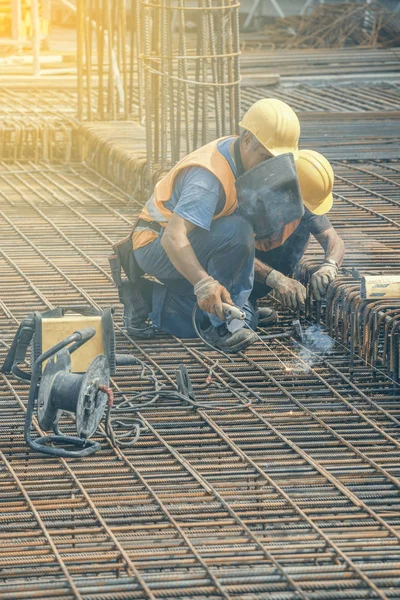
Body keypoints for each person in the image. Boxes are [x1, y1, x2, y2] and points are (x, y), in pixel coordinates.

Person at [112, 98, 344, 353]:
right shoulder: (208, 179)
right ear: (246, 141)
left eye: (275, 160)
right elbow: (173, 238)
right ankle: (219, 323)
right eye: (266, 157)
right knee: (237, 231)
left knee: (249, 321)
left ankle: (222, 309)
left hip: (191, 244)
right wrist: (204, 284)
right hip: (156, 245)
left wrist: (330, 265)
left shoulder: (245, 161)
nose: (270, 167)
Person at [251, 149, 345, 311]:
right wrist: (276, 279)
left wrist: (329, 266)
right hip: (226, 275)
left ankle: (248, 303)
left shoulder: (303, 204)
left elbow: (334, 240)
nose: (306, 211)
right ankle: (242, 303)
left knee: (301, 231)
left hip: (258, 279)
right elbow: (233, 254)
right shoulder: (253, 198)